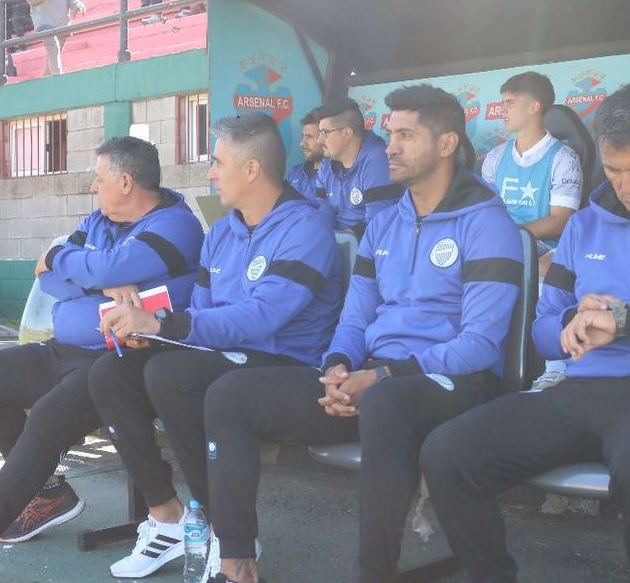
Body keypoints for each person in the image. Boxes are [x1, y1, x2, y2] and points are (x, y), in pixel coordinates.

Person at [420, 82, 630, 583]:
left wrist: (629, 321)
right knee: (447, 449)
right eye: (615, 170)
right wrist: (572, 325)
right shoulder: (584, 227)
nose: (629, 185)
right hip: (582, 391)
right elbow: (541, 332)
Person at [187, 85, 522, 583]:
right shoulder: (385, 221)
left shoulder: (488, 222)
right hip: (378, 383)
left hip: (456, 383)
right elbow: (355, 317)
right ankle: (236, 559)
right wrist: (337, 366)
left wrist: (382, 377)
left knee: (387, 404)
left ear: (447, 143)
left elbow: (480, 345)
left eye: (407, 135)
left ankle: (375, 574)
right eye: (391, 135)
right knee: (231, 395)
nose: (391, 147)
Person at [0, 136, 204, 583]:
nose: (92, 187)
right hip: (63, 351)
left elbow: (87, 267)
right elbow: (46, 274)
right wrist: (88, 275)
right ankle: (46, 494)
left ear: (125, 180)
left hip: (117, 364)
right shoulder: (99, 221)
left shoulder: (176, 225)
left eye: (99, 179)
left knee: (47, 416)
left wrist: (76, 264)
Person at [91, 111, 343, 580]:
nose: (209, 172)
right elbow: (206, 315)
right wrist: (151, 334)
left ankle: (228, 535)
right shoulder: (223, 231)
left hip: (287, 365)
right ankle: (169, 517)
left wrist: (167, 325)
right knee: (113, 373)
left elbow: (264, 317)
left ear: (251, 170)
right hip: (227, 357)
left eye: (217, 161)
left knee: (173, 374)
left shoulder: (305, 228)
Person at [480, 71, 582, 390]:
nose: (502, 110)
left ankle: (555, 368)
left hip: (549, 247)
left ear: (535, 106)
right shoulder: (496, 158)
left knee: (542, 271)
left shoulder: (563, 157)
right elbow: (484, 215)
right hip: (504, 245)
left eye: (510, 103)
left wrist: (514, 239)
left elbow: (561, 219)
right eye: (502, 103)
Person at [316, 97, 401, 237]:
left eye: (324, 133)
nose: (319, 140)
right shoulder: (327, 162)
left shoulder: (377, 159)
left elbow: (378, 222)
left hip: (367, 248)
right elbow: (322, 211)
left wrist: (340, 240)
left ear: (346, 133)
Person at [284, 108, 324, 200]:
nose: (302, 143)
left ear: (325, 138)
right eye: (303, 137)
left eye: (309, 137)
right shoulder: (295, 173)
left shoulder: (335, 176)